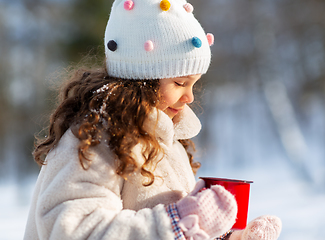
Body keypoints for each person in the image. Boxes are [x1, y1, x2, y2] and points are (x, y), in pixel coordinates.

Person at [24, 0, 282, 239]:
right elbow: (74, 228)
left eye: (194, 84)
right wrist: (180, 221)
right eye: (180, 83)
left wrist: (223, 234)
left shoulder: (166, 140)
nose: (190, 97)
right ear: (141, 80)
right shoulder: (97, 136)